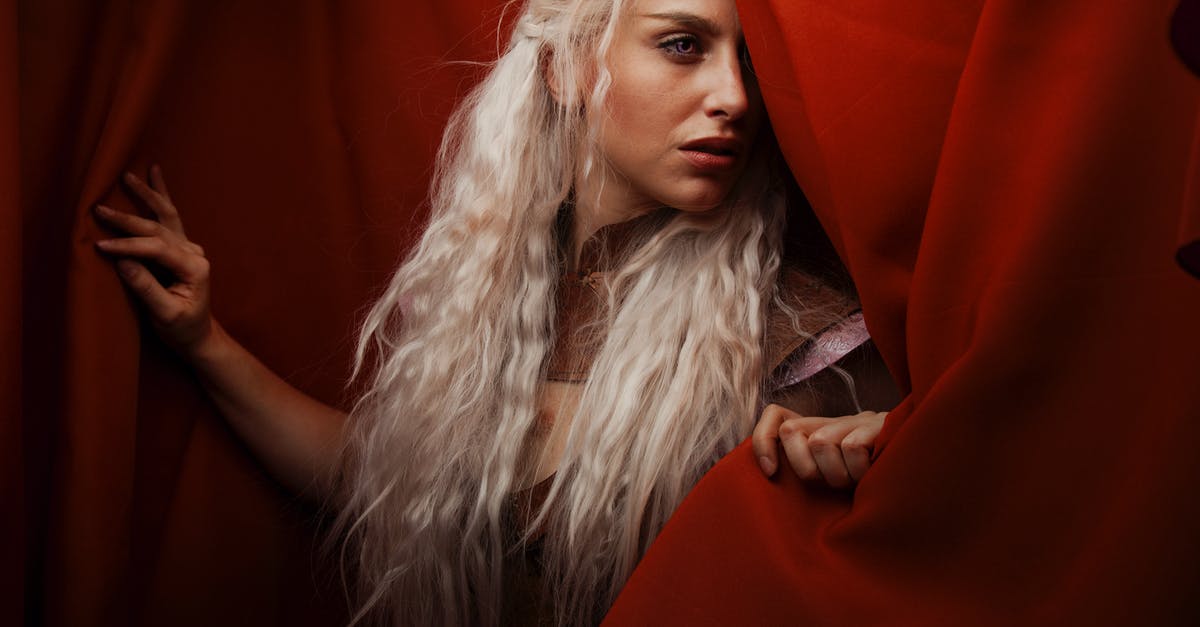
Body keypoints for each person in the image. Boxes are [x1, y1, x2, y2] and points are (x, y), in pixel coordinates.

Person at [93, 0, 897, 624]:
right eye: (683, 45)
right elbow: (383, 478)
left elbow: (928, 543)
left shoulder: (800, 336)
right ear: (567, 66)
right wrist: (204, 341)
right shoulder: (482, 301)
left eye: (750, 61)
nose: (735, 97)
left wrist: (889, 450)